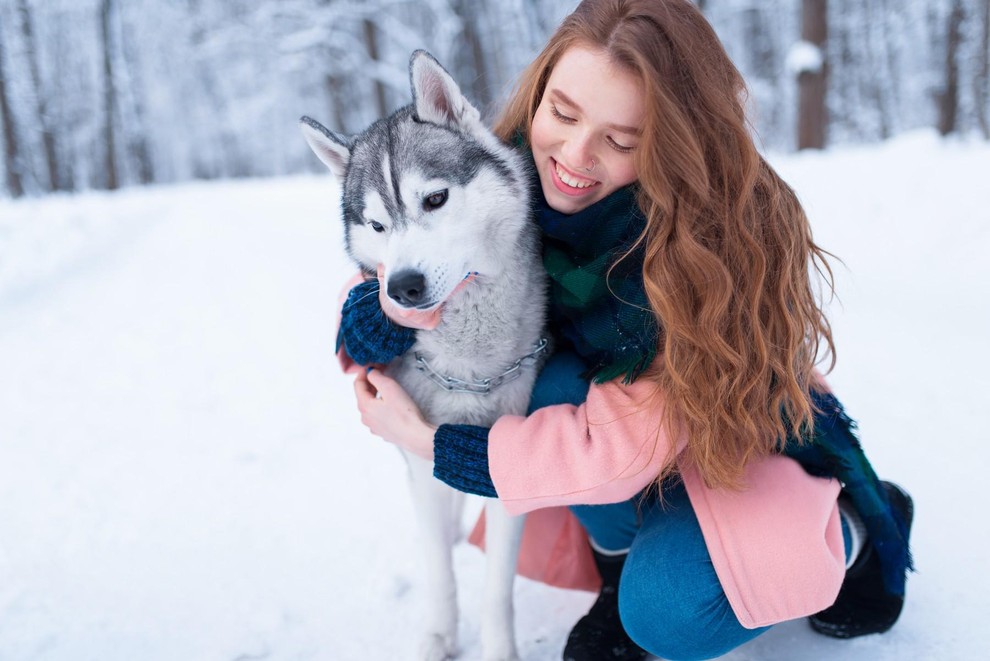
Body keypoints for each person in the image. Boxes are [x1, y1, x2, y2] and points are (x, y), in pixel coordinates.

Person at [339, 1, 914, 659]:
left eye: (620, 139)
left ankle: (850, 530)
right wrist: (381, 315)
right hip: (622, 442)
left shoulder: (706, 248)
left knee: (672, 614)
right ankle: (617, 568)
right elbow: (404, 259)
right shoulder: (499, 173)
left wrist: (434, 442)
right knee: (553, 382)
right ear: (541, 90)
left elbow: (620, 445)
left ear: (672, 141)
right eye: (562, 112)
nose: (574, 157)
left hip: (736, 436)